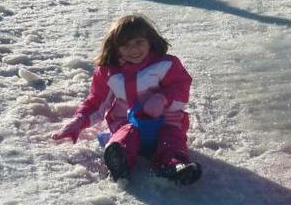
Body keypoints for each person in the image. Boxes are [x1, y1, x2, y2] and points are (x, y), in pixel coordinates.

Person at [52, 14, 201, 185]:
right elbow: (97, 100)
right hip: (127, 122)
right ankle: (119, 160)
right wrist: (80, 120)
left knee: (172, 140)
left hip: (166, 121)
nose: (134, 50)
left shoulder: (166, 65)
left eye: (139, 42)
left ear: (150, 40)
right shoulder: (109, 72)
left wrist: (162, 98)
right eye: (125, 46)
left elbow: (181, 85)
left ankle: (175, 165)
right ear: (115, 48)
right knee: (124, 136)